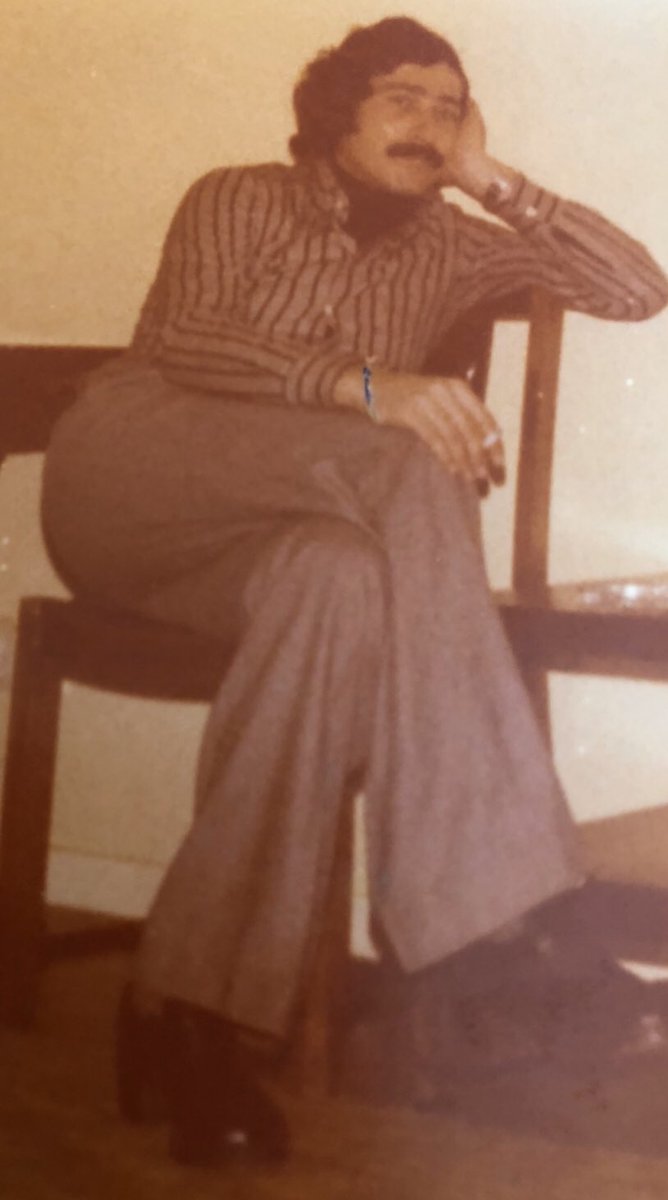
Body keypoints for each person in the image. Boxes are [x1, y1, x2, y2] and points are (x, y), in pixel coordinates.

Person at [41, 16, 667, 1169]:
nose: (424, 122)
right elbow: (192, 341)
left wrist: (489, 177)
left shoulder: (451, 243)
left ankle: (189, 1013)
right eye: (399, 100)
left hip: (283, 536)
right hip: (135, 475)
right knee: (402, 455)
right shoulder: (241, 196)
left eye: (446, 106)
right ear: (335, 114)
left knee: (332, 588)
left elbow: (637, 289)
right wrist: (369, 385)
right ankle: (494, 934)